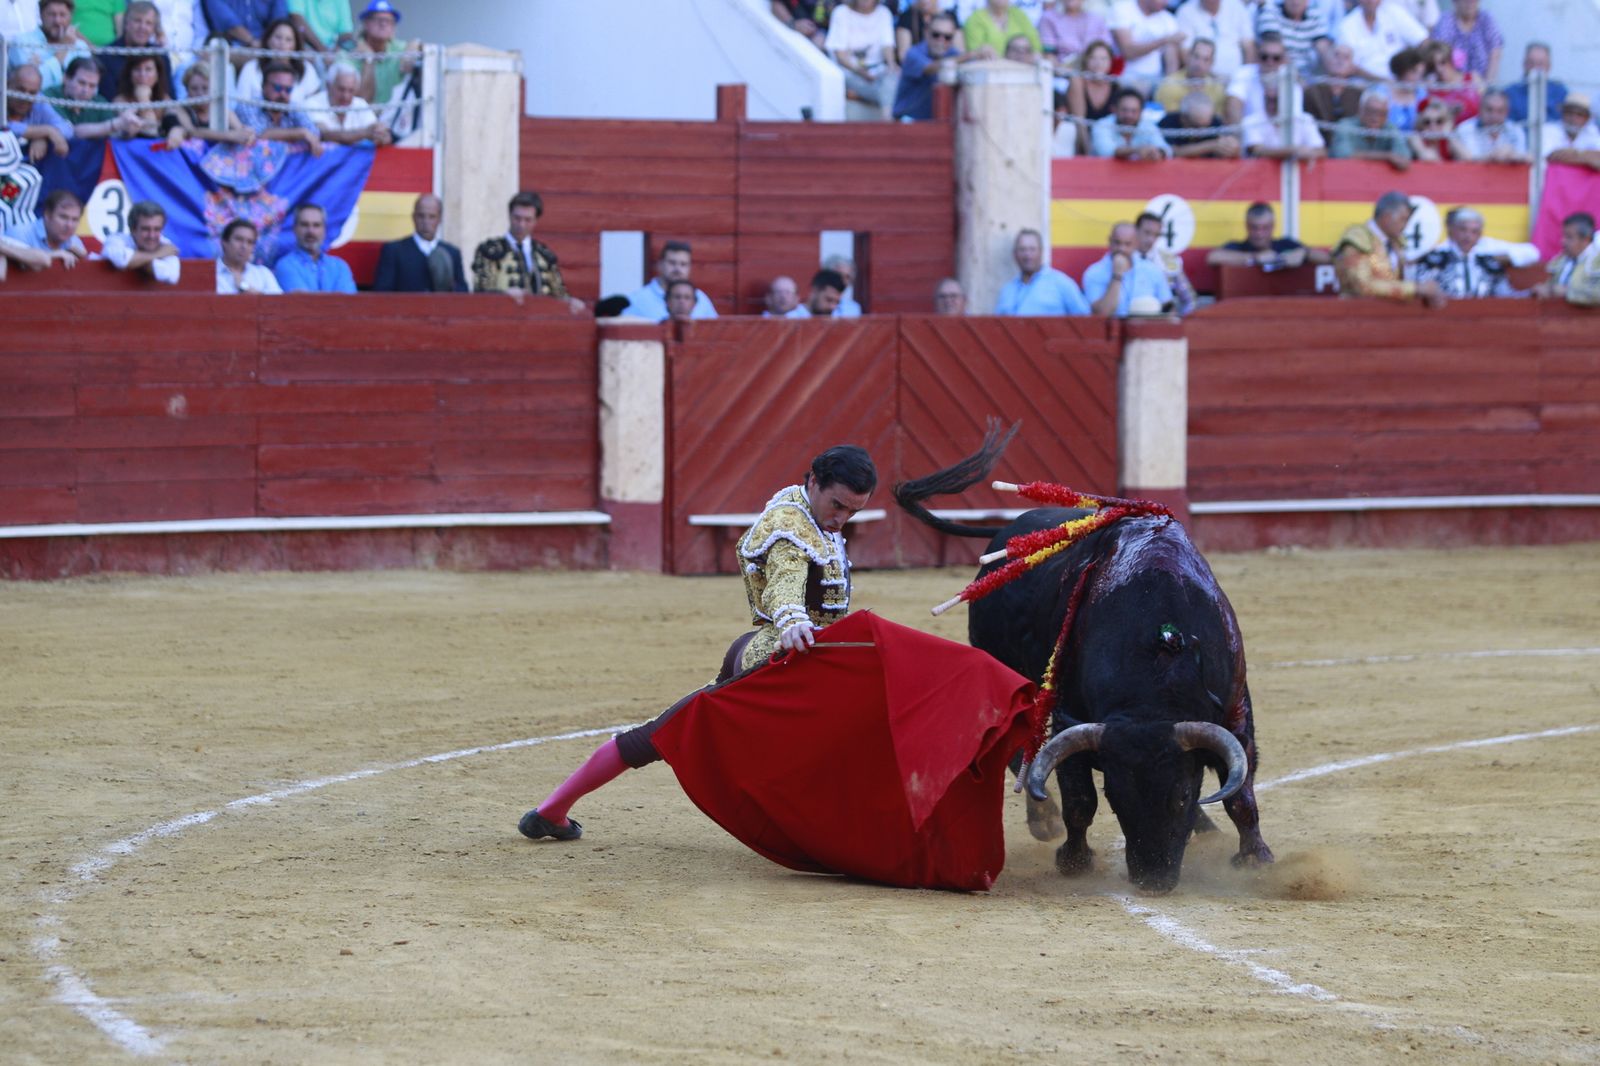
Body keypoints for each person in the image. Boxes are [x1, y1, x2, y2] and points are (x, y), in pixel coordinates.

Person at [517, 445, 879, 843]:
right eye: (838, 505)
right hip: (778, 657)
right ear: (814, 482)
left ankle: (552, 811)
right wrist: (792, 618)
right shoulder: (790, 526)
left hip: (791, 651)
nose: (842, 518)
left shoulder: (807, 512)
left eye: (852, 512)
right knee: (669, 734)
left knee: (666, 732)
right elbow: (785, 579)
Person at [1331, 190, 1444, 307]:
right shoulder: (1358, 237)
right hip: (1357, 313)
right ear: (1386, 217)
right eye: (1403, 219)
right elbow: (1362, 286)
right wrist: (1416, 289)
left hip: (1388, 313)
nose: (1405, 225)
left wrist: (1423, 290)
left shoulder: (1396, 242)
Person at [373, 193, 466, 293]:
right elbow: (382, 293)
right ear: (413, 217)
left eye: (432, 217)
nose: (426, 222)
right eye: (421, 216)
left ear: (439, 219)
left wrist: (450, 286)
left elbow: (463, 294)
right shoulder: (394, 251)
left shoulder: (452, 253)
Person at [1413, 206, 1512, 299]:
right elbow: (1422, 290)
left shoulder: (1490, 263)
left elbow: (1506, 297)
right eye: (1463, 230)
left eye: (1474, 232)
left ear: (1480, 235)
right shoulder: (1433, 260)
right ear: (1452, 230)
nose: (1468, 236)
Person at [825, 0, 899, 118]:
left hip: (877, 71)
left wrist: (891, 65)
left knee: (893, 76)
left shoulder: (884, 13)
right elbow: (840, 55)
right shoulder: (841, 12)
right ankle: (889, 122)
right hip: (850, 71)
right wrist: (861, 72)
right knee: (886, 90)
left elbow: (887, 45)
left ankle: (887, 117)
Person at [1083, 221, 1173, 317]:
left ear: (1136, 244)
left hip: (1147, 329)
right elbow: (1100, 314)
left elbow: (1168, 309)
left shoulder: (1152, 270)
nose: (1121, 249)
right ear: (1109, 241)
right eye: (1117, 243)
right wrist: (1117, 275)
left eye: (1127, 244)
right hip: (1110, 330)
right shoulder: (1094, 273)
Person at [233, 16, 326, 109]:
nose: (282, 43)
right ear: (268, 40)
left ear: (295, 45)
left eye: (288, 40)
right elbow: (242, 105)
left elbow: (315, 106)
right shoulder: (251, 68)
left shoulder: (307, 69)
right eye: (278, 37)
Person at [1206, 200, 1328, 269]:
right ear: (1247, 226)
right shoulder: (1238, 247)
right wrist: (1255, 258)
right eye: (1255, 228)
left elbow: (1329, 259)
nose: (1259, 234)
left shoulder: (1285, 245)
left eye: (1265, 228)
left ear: (1273, 226)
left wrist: (1304, 254)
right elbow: (1212, 257)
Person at [995, 228, 1091, 315]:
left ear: (1041, 252)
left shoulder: (1061, 282)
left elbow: (1084, 317)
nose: (1027, 255)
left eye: (1032, 249)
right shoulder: (1007, 289)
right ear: (1015, 254)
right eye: (1022, 249)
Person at [45, 55, 143, 139]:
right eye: (81, 83)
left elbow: (115, 132)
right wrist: (115, 124)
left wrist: (128, 129)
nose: (85, 90)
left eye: (92, 86)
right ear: (66, 79)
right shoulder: (50, 97)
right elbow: (71, 132)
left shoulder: (98, 102)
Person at [235, 61, 322, 154]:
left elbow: (314, 133)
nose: (283, 94)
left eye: (288, 89)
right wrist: (300, 133)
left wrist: (304, 133)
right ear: (263, 86)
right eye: (277, 88)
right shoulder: (248, 105)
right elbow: (256, 135)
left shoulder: (293, 107)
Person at [893, 11, 964, 122]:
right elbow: (931, 68)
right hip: (908, 121)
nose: (941, 41)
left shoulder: (954, 55)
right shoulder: (913, 54)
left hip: (937, 123)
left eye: (947, 37)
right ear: (926, 32)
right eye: (936, 35)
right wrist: (971, 55)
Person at [166, 62, 256, 148]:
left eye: (205, 88)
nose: (200, 93)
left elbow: (240, 131)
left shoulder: (223, 110)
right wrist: (229, 135)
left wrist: (248, 134)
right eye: (194, 88)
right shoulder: (182, 109)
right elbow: (192, 132)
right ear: (187, 90)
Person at [7, 0, 91, 91]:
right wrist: (63, 50)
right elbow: (31, 86)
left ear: (70, 17)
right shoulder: (21, 42)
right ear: (41, 15)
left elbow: (89, 87)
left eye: (62, 15)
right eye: (51, 14)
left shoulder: (80, 46)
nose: (57, 21)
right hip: (34, 102)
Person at [272, 202, 356, 292]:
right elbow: (305, 302)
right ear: (294, 229)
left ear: (324, 230)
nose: (311, 231)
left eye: (316, 225)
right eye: (305, 225)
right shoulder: (285, 265)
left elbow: (349, 301)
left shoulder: (340, 267)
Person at [352, 0, 420, 109]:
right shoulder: (351, 50)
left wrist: (416, 45)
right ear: (366, 23)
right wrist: (369, 60)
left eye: (388, 21)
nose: (383, 24)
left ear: (393, 27)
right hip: (361, 118)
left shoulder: (399, 48)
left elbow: (418, 51)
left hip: (393, 116)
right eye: (378, 19)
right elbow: (361, 101)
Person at [96, 1, 170, 99]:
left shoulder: (161, 56)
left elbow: (169, 97)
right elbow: (107, 100)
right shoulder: (105, 55)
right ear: (126, 23)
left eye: (149, 23)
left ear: (154, 29)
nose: (142, 27)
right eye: (137, 21)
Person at [1336, 0, 1425, 83]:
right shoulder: (1346, 26)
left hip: (1404, 86)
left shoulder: (1395, 13)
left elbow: (1424, 42)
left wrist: (1414, 68)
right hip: (1365, 87)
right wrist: (1386, 82)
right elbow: (1347, 68)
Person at [626, 239, 715, 320]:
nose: (677, 269)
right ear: (660, 265)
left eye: (683, 264)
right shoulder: (637, 300)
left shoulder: (701, 299)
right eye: (672, 263)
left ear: (689, 268)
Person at [1107, 0, 1183, 91]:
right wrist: (1164, 40)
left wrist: (1168, 87)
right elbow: (1128, 52)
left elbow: (1171, 61)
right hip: (1123, 79)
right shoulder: (1122, 9)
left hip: (1155, 81)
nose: (1166, 3)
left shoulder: (1167, 19)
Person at [101, 199, 180, 284]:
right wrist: (158, 254)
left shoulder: (165, 244)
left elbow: (171, 276)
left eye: (157, 229)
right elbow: (122, 260)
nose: (152, 235)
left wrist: (138, 261)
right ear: (132, 229)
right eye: (145, 229)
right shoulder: (116, 240)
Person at [1242, 78, 1324, 160]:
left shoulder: (1305, 119)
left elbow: (1321, 150)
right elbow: (1257, 150)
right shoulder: (1252, 121)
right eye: (1268, 100)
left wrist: (1309, 153)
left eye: (1275, 100)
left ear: (1287, 100)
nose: (1271, 105)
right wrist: (1294, 151)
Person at [1329, 88, 1411, 170]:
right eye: (1372, 112)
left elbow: (1403, 160)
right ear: (1361, 110)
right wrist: (1387, 156)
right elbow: (1343, 155)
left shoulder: (1390, 128)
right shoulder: (1346, 126)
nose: (1376, 118)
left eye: (1382, 114)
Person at [1064, 38, 1119, 156]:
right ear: (1086, 61)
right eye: (1093, 58)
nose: (1098, 63)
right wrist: (1089, 156)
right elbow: (1079, 122)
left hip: (1107, 141)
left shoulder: (1116, 85)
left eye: (1103, 59)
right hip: (1083, 141)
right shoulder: (1077, 81)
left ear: (1110, 62)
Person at [7, 66, 74, 163]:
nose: (26, 97)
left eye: (32, 92)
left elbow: (67, 128)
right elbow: (6, 128)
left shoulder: (39, 100)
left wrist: (43, 138)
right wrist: (47, 131)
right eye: (21, 90)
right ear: (7, 85)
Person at [1173, 0, 1254, 79]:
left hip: (1236, 80)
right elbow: (1186, 53)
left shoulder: (1237, 6)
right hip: (1204, 81)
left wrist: (1245, 77)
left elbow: (1249, 47)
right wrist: (1208, 77)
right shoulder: (1186, 11)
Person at [1134, 210, 1195, 315]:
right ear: (1135, 231)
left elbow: (1190, 299)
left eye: (1156, 235)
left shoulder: (1169, 260)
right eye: (1147, 232)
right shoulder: (1123, 257)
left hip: (1162, 321)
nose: (1150, 239)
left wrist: (1182, 324)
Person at [9, 188, 86, 268]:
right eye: (63, 217)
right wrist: (52, 255)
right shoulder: (20, 234)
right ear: (47, 215)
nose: (69, 225)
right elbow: (20, 268)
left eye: (75, 219)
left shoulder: (73, 239)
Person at [317, 62, 392, 145]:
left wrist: (381, 134)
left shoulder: (360, 104)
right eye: (341, 89)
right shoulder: (313, 104)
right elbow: (325, 134)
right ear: (328, 86)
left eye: (351, 91)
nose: (346, 96)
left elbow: (374, 128)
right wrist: (365, 133)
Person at [1427, 0, 1500, 85]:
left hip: (1482, 85)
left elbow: (1495, 53)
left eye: (1473, 1)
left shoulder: (1486, 19)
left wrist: (1486, 86)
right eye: (1466, 1)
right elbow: (1439, 55)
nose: (1470, 3)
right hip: (1452, 86)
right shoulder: (1446, 20)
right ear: (1455, 2)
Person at [1253, 0, 1331, 76]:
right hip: (1279, 73)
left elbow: (1323, 48)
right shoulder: (1270, 12)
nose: (1295, 2)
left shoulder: (1315, 15)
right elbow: (1275, 48)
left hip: (1309, 75)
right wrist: (1297, 78)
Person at [1090, 86, 1170, 160]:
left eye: (1134, 111)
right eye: (1124, 110)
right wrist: (1136, 150)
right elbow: (1106, 152)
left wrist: (1159, 153)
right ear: (1114, 110)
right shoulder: (1101, 125)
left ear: (1141, 112)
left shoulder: (1148, 126)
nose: (1129, 115)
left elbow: (1167, 150)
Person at [1535, 212, 1597, 301]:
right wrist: (1546, 289)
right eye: (1563, 236)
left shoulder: (1597, 262)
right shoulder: (1561, 260)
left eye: (1569, 237)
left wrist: (1567, 293)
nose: (1562, 241)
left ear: (1585, 240)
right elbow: (1552, 287)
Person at [1154, 37, 1225, 115]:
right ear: (1188, 56)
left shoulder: (1217, 89)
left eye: (1206, 59)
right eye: (1196, 57)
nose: (1199, 64)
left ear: (1212, 63)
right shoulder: (1169, 85)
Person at [1158, 90, 1238, 159]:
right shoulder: (1168, 122)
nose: (1202, 132)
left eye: (1206, 126)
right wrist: (1212, 145)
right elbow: (1171, 152)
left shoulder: (1216, 122)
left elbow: (1232, 149)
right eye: (1196, 126)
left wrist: (1231, 149)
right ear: (1183, 117)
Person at [1454, 88, 1526, 164]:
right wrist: (1493, 157)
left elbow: (1524, 158)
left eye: (1500, 111)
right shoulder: (1465, 130)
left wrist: (1512, 155)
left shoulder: (1515, 130)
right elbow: (1468, 161)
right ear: (1480, 108)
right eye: (1489, 109)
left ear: (1507, 112)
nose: (1494, 116)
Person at [1302, 43, 1362, 130]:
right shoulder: (1312, 92)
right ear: (1327, 61)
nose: (1340, 61)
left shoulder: (1359, 94)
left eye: (1346, 58)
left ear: (1353, 66)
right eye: (1336, 55)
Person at [1504, 43, 1567, 127]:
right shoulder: (1509, 94)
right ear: (1524, 64)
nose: (1535, 68)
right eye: (1531, 63)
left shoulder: (1560, 94)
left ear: (1549, 67)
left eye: (1540, 64)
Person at [215, 217, 282, 293]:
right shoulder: (209, 274)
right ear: (224, 242)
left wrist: (244, 287)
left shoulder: (263, 274)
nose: (244, 246)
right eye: (239, 239)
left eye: (250, 242)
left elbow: (278, 303)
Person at [963, 0, 1041, 60]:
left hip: (1024, 71)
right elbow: (974, 53)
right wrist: (982, 51)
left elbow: (1036, 48)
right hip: (991, 72)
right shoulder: (975, 19)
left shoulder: (1019, 14)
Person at [1544, 95, 1600, 171]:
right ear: (1562, 114)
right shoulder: (1549, 129)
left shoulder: (1592, 132)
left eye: (1579, 115)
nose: (1573, 118)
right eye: (1569, 113)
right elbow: (1548, 156)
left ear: (1587, 119)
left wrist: (1579, 155)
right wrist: (1586, 157)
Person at [204, 0, 290, 49]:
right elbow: (230, 24)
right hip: (230, 46)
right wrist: (253, 42)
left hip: (268, 47)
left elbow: (279, 22)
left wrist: (267, 45)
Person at [288, 0, 353, 53]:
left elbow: (346, 32)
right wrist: (323, 52)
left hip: (333, 53)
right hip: (306, 50)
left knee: (345, 68)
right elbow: (297, 20)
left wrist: (333, 53)